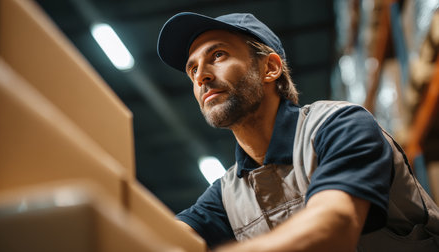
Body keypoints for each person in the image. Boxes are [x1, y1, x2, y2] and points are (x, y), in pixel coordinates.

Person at [157, 12, 439, 251]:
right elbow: (165, 237)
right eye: (192, 70)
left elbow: (335, 227)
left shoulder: (340, 125)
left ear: (270, 68)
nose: (201, 76)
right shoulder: (226, 194)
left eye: (218, 55)